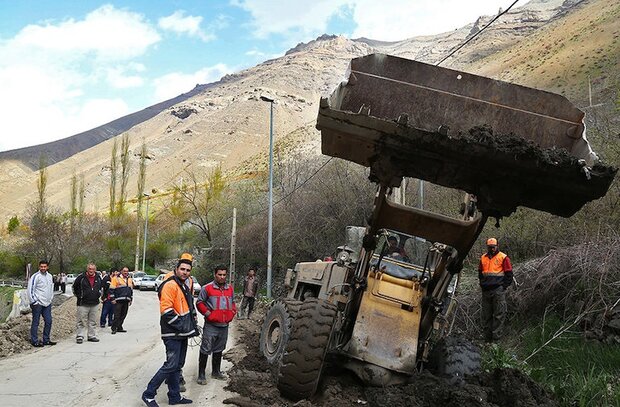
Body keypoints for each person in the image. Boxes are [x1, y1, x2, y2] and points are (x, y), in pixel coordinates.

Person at [142, 253, 198, 407]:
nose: (185, 272)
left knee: (177, 365)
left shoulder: (184, 285)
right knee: (171, 365)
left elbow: (187, 307)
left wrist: (191, 325)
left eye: (188, 270)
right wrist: (182, 326)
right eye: (182, 269)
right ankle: (148, 394)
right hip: (172, 333)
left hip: (182, 333)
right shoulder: (170, 285)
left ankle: (174, 396)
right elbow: (166, 311)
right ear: (176, 269)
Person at [196, 265, 236, 385]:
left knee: (219, 349)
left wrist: (232, 313)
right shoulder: (207, 288)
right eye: (220, 274)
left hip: (224, 326)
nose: (222, 277)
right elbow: (199, 303)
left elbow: (233, 302)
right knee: (205, 349)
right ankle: (201, 374)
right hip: (211, 325)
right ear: (215, 274)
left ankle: (216, 372)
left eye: (224, 275)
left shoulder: (230, 289)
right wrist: (209, 314)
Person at [478, 237, 513, 342]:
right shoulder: (483, 258)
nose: (492, 249)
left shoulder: (503, 257)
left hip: (498, 290)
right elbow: (480, 273)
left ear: (497, 246)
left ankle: (496, 341)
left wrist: (503, 287)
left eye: (493, 247)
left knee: (499, 315)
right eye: (490, 247)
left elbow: (509, 274)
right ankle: (487, 339)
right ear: (487, 247)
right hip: (486, 291)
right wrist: (482, 284)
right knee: (486, 315)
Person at [27, 260, 56, 347]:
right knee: (36, 322)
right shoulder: (35, 276)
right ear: (39, 267)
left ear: (47, 267)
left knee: (48, 321)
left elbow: (51, 288)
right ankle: (34, 340)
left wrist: (50, 298)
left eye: (45, 266)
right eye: (41, 266)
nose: (43, 268)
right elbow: (30, 289)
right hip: (38, 303)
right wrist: (34, 301)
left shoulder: (50, 276)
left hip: (47, 303)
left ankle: (46, 340)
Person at [72, 263, 103, 344]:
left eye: (92, 269)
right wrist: (80, 296)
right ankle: (79, 336)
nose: (91, 270)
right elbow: (74, 288)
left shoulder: (98, 278)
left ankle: (91, 336)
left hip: (95, 303)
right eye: (89, 269)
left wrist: (99, 295)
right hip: (82, 303)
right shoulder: (81, 278)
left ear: (95, 270)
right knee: (81, 321)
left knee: (92, 321)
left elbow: (101, 288)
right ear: (87, 269)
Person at [110, 266, 133, 334]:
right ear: (121, 271)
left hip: (126, 300)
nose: (126, 272)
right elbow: (111, 290)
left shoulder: (129, 279)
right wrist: (112, 299)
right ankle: (114, 328)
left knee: (123, 314)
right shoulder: (115, 278)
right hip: (118, 300)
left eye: (127, 271)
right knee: (117, 315)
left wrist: (131, 299)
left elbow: (131, 290)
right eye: (124, 271)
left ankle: (119, 327)